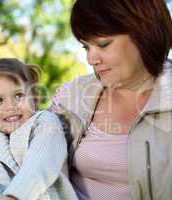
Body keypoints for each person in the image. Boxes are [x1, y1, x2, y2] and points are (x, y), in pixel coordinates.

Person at [50, 0, 172, 199]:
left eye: (103, 44)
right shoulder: (71, 95)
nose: (91, 59)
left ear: (143, 34)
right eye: (86, 47)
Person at [0, 58, 78, 200]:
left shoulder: (46, 125)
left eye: (18, 95)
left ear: (34, 100)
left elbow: (38, 167)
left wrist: (13, 197)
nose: (10, 106)